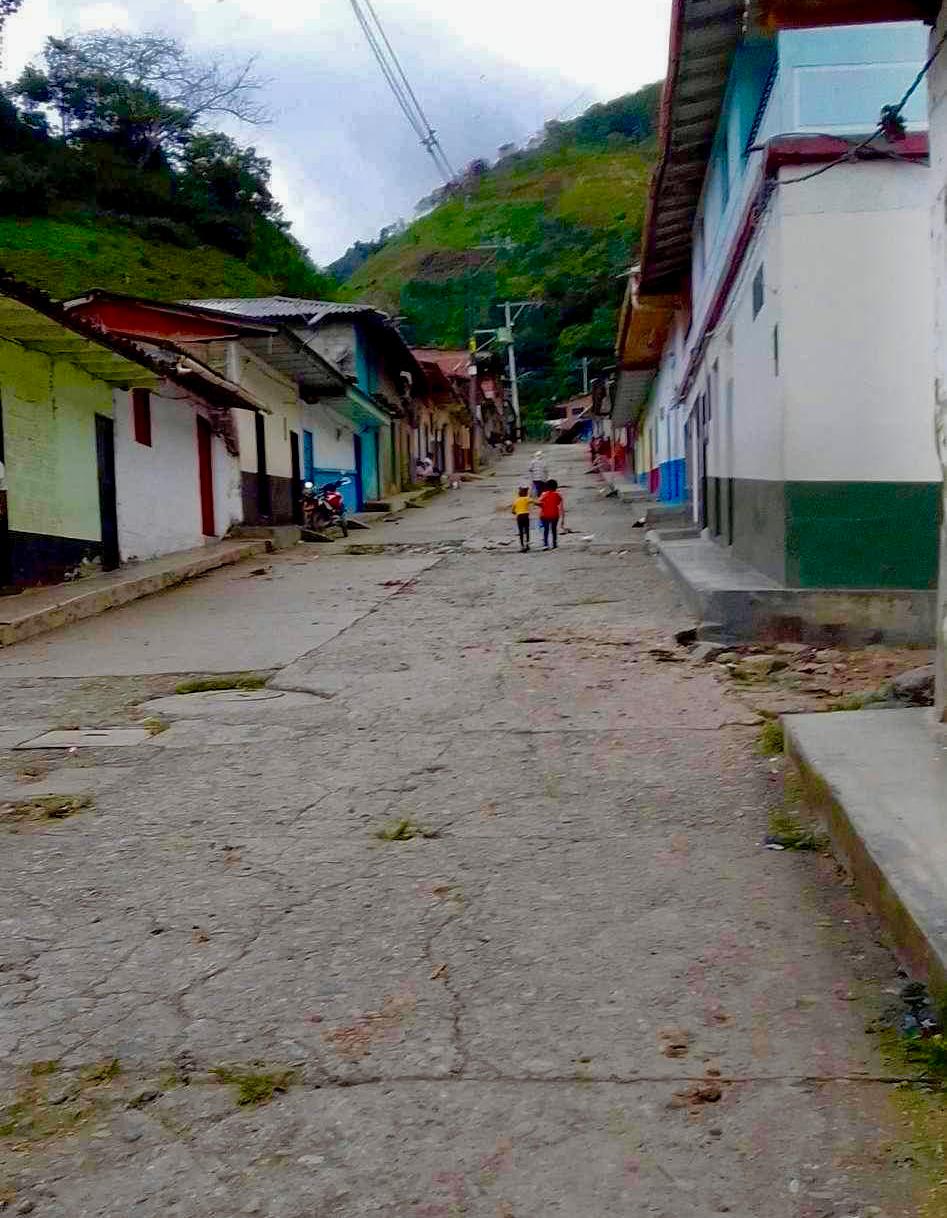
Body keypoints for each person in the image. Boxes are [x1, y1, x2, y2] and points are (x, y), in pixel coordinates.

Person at [538, 478, 564, 550]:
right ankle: (554, 543)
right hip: (554, 515)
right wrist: (563, 519)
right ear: (556, 487)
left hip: (545, 515)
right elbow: (559, 504)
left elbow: (539, 502)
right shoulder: (558, 495)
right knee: (554, 529)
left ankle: (546, 544)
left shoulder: (543, 494)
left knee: (546, 530)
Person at [511, 485, 533, 552]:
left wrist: (517, 512)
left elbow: (512, 511)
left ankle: (522, 546)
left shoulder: (516, 500)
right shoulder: (527, 498)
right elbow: (534, 502)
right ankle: (527, 544)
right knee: (527, 530)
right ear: (526, 493)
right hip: (526, 516)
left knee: (521, 531)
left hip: (519, 517)